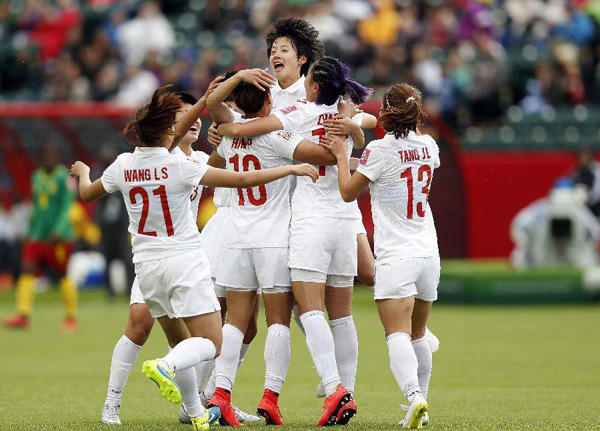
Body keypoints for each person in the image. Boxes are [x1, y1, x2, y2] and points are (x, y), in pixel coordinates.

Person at [71, 85, 318, 431]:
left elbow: (86, 192)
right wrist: (288, 170)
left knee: (182, 341)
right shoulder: (180, 166)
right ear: (167, 131)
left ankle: (195, 412)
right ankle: (166, 368)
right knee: (212, 343)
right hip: (184, 261)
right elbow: (243, 178)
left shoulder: (122, 165)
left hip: (146, 266)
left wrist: (83, 171)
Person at [218, 56, 370, 426]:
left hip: (303, 223)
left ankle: (332, 389)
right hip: (344, 222)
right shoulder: (346, 112)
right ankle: (345, 390)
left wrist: (227, 126)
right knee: (343, 317)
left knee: (306, 311)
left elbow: (244, 132)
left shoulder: (297, 114)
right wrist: (352, 135)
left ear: (314, 87)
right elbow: (371, 120)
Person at [320, 83, 440, 429]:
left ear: (386, 112)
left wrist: (342, 156)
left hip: (396, 255)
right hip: (429, 254)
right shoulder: (429, 145)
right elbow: (393, 166)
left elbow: (347, 191)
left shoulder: (379, 150)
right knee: (418, 334)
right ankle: (423, 405)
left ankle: (414, 395)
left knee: (397, 333)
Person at [3, 143, 78, 332]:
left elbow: (67, 206)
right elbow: (37, 207)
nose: (48, 159)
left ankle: (70, 317)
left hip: (59, 237)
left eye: (51, 155)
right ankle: (23, 315)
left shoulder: (65, 177)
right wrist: (30, 231)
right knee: (27, 268)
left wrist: (59, 229)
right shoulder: (36, 176)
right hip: (38, 235)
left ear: (57, 157)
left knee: (62, 275)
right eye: (45, 156)